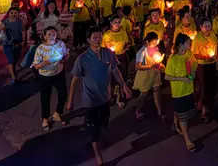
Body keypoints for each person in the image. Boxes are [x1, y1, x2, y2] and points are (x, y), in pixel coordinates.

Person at [66, 27, 132, 166]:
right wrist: (70, 100)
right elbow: (75, 80)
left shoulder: (108, 53)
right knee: (95, 132)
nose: (98, 39)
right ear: (89, 40)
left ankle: (94, 130)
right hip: (90, 101)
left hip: (105, 98)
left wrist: (123, 85)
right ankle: (99, 159)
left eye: (99, 36)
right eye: (95, 37)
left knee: (104, 123)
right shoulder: (82, 59)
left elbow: (115, 70)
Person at [165, 33, 198, 152]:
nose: (189, 44)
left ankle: (175, 122)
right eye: (187, 43)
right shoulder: (172, 59)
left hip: (189, 89)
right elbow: (167, 77)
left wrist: (193, 72)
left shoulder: (189, 53)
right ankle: (187, 140)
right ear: (179, 45)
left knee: (184, 113)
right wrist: (182, 79)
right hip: (178, 92)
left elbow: (194, 64)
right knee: (183, 116)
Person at [32, 26, 69, 130]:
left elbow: (65, 55)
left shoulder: (60, 44)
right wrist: (44, 63)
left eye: (54, 34)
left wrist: (64, 59)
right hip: (45, 76)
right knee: (45, 98)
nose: (52, 36)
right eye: (49, 34)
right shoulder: (41, 49)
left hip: (59, 73)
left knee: (63, 94)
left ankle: (57, 113)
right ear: (44, 36)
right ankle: (45, 118)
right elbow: (36, 66)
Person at [191, 17, 218, 122]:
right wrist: (205, 58)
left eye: (209, 25)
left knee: (212, 85)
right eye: (205, 26)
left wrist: (217, 57)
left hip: (212, 64)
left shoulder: (212, 34)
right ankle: (204, 109)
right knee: (204, 86)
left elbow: (217, 46)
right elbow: (194, 54)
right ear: (201, 27)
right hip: (202, 65)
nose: (208, 28)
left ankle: (211, 106)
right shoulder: (197, 38)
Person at [133, 32, 165, 121]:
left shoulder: (156, 48)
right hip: (146, 75)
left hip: (155, 74)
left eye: (156, 42)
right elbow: (137, 66)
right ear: (147, 42)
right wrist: (151, 66)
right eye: (153, 42)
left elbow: (157, 59)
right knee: (143, 94)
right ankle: (138, 111)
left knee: (157, 90)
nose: (155, 44)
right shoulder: (142, 52)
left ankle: (160, 111)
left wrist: (160, 64)